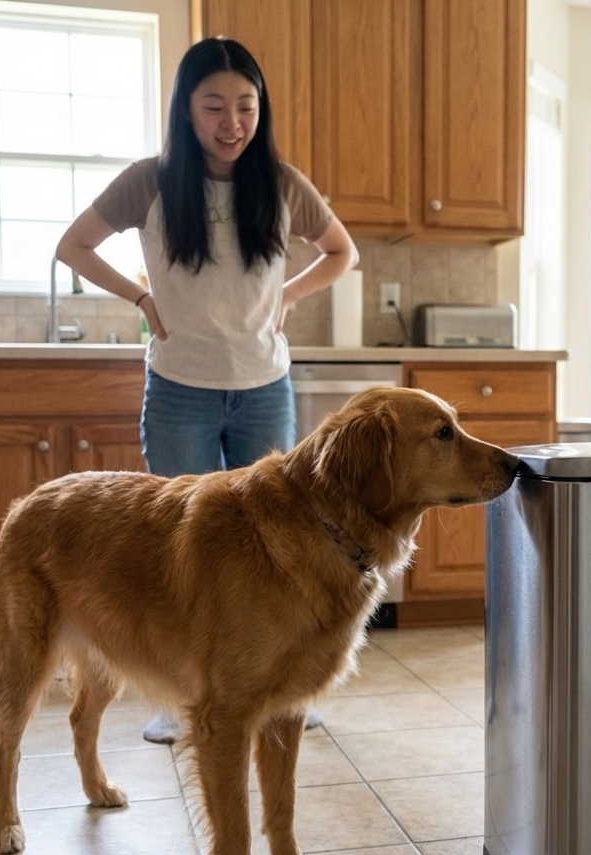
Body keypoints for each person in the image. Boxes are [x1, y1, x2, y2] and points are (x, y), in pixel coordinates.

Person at [55, 37, 358, 743]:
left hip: (263, 386)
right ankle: (180, 694)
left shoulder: (282, 184)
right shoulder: (151, 181)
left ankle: (279, 688)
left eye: (246, 107)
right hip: (180, 389)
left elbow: (342, 251)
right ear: (186, 111)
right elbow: (73, 245)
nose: (232, 122)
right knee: (180, 551)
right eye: (214, 106)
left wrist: (289, 293)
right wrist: (138, 297)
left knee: (278, 543)